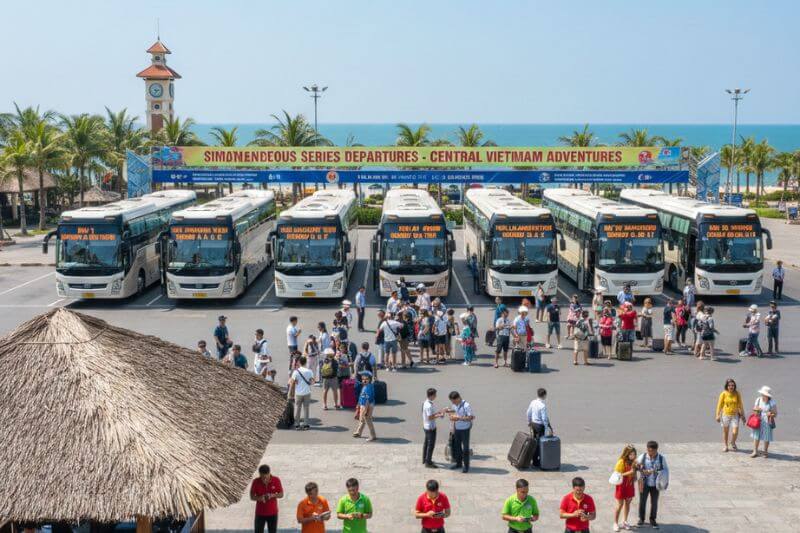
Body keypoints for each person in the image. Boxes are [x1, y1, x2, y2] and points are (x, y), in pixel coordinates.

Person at [637, 441, 668, 529]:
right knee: (642, 501)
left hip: (655, 484)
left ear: (656, 450)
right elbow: (636, 466)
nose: (650, 453)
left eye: (652, 451)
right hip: (643, 483)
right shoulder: (642, 456)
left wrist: (655, 471)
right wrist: (642, 469)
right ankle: (641, 519)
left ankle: (652, 519)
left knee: (654, 502)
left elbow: (665, 470)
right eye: (648, 450)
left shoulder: (661, 458)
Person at [250, 464, 284, 533]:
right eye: (263, 477)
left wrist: (273, 495)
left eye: (266, 477)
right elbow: (252, 496)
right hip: (260, 513)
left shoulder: (276, 480)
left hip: (273, 513)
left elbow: (281, 494)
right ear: (260, 474)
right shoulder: (255, 481)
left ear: (269, 473)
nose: (265, 479)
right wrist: (259, 498)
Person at [448, 390, 475, 473]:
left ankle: (466, 466)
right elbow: (453, 414)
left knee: (465, 448)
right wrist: (450, 415)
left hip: (465, 430)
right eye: (452, 402)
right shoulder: (453, 405)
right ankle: (458, 463)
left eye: (454, 401)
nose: (454, 403)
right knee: (457, 447)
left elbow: (471, 417)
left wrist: (459, 418)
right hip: (457, 429)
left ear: (458, 398)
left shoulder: (466, 405)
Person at [612, 445, 638, 532]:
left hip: (630, 486)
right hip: (621, 486)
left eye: (634, 454)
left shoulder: (634, 462)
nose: (633, 456)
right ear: (626, 454)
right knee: (620, 505)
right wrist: (629, 472)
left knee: (628, 503)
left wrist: (635, 474)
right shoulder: (621, 461)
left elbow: (634, 474)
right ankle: (615, 523)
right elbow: (617, 475)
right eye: (631, 454)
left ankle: (625, 521)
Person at [715, 378, 745, 452]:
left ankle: (732, 442)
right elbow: (719, 405)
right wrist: (717, 415)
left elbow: (740, 405)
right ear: (727, 386)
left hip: (735, 415)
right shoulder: (724, 394)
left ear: (734, 386)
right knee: (726, 431)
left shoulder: (737, 393)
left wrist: (743, 415)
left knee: (735, 432)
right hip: (725, 415)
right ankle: (725, 445)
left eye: (732, 385)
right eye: (729, 385)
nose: (731, 387)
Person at [526, 388, 551, 469]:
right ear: (544, 395)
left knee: (534, 442)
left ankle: (533, 459)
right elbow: (544, 418)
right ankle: (537, 461)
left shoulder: (533, 402)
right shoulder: (542, 406)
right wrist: (547, 428)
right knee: (539, 444)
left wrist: (529, 422)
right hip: (540, 426)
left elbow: (528, 412)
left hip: (533, 424)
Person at [751, 386, 777, 458]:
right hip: (758, 419)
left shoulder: (772, 402)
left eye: (764, 394)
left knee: (766, 436)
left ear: (768, 396)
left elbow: (775, 414)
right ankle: (755, 451)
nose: (763, 395)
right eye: (762, 394)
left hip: (767, 420)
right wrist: (756, 410)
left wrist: (771, 414)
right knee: (756, 435)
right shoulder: (758, 400)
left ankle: (765, 451)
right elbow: (754, 409)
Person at [289, 356, 314, 430]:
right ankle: (306, 424)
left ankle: (297, 424)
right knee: (306, 408)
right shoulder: (309, 371)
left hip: (298, 393)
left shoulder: (296, 372)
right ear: (306, 362)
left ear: (299, 362)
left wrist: (290, 393)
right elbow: (312, 381)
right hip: (307, 392)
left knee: (297, 408)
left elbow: (292, 383)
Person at [422, 388, 445, 468]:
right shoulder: (428, 405)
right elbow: (430, 417)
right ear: (431, 395)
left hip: (426, 426)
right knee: (430, 445)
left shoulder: (427, 402)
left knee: (426, 444)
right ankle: (428, 462)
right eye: (435, 395)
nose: (436, 396)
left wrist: (438, 412)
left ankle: (425, 459)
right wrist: (439, 415)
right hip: (430, 428)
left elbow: (431, 414)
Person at [353, 371, 377, 441]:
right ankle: (359, 432)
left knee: (368, 420)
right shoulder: (366, 386)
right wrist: (358, 405)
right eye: (363, 379)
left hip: (367, 406)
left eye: (366, 379)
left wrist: (365, 411)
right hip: (363, 405)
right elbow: (361, 397)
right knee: (362, 419)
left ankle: (373, 436)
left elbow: (367, 400)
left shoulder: (367, 388)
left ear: (369, 379)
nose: (364, 380)